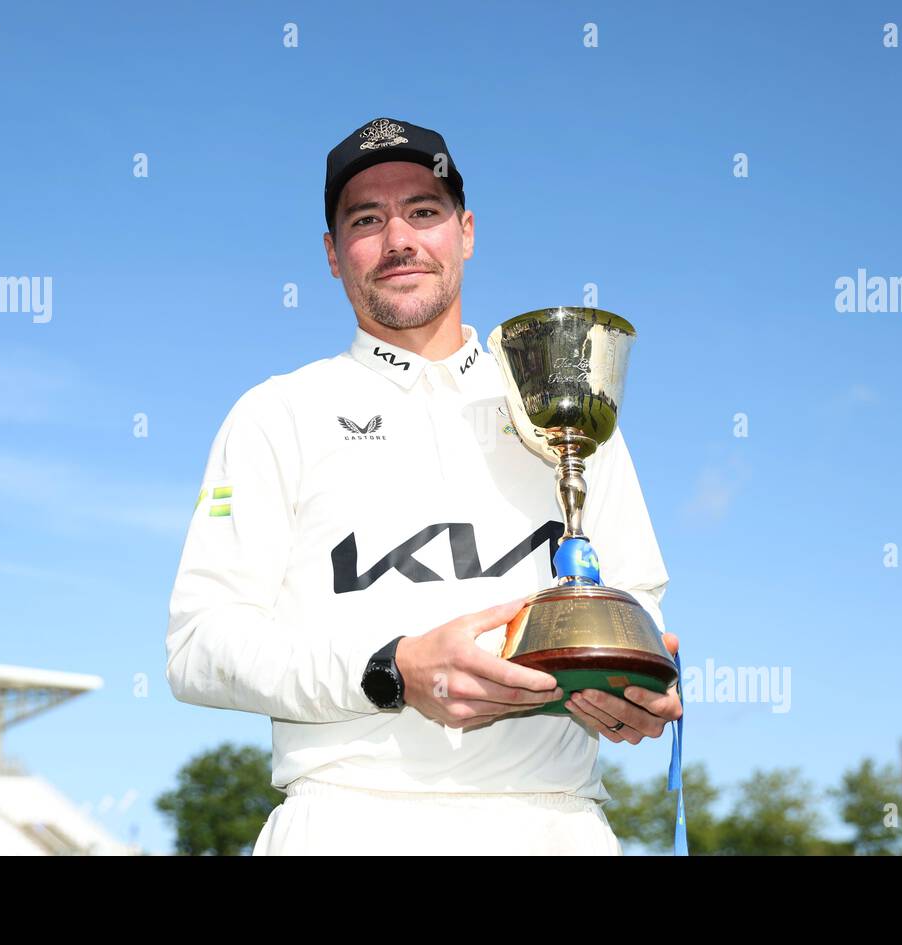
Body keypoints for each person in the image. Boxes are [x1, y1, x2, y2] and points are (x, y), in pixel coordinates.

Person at [165, 116, 683, 855]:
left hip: (556, 821)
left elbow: (638, 604)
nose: (398, 238)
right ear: (332, 255)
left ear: (466, 231)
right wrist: (391, 669)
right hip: (346, 820)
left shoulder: (565, 400)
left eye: (424, 211)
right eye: (366, 219)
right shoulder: (275, 413)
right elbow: (199, 645)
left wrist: (635, 688)